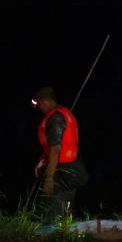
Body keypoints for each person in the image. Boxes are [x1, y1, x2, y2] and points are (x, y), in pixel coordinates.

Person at [32, 87, 89, 219]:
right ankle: (64, 236)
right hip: (72, 170)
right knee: (64, 213)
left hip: (60, 174)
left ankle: (53, 237)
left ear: (45, 102)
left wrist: (49, 178)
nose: (40, 108)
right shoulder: (64, 113)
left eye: (40, 104)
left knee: (50, 214)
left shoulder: (55, 118)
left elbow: (56, 148)